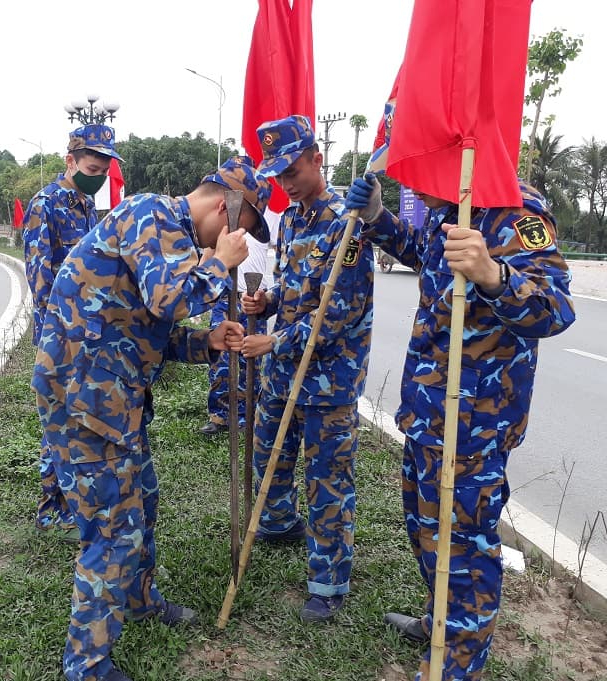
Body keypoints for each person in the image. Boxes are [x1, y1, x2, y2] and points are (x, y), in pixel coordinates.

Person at [33, 156, 272, 681]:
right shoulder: (152, 214)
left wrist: (207, 341)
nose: (237, 241)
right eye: (242, 229)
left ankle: (139, 599)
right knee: (113, 531)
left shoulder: (169, 232)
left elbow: (145, 326)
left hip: (114, 396)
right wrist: (220, 262)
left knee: (143, 499)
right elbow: (169, 300)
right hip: (85, 400)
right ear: (224, 208)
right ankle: (86, 666)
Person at [345, 171, 576, 679]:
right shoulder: (448, 208)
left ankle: (456, 667)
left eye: (417, 174)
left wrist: (494, 275)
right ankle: (441, 624)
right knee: (428, 534)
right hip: (427, 412)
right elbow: (423, 256)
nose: (413, 187)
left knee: (465, 550)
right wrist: (378, 217)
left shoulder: (515, 208)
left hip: (475, 424)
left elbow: (555, 310)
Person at [241, 115, 375, 623]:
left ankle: (328, 581)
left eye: (292, 171)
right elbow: (295, 288)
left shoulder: (348, 223)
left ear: (318, 159)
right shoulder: (293, 218)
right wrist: (268, 302)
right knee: (268, 454)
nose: (286, 183)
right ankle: (278, 523)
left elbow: (337, 314)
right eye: (277, 175)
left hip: (329, 380)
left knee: (327, 481)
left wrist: (273, 339)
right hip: (282, 372)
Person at [23, 123, 121, 535]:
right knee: (57, 420)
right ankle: (51, 507)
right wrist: (59, 334)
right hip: (59, 334)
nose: (98, 177)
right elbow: (39, 276)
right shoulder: (44, 204)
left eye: (103, 171)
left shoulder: (85, 204)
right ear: (70, 161)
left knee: (79, 417)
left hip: (89, 331)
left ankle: (75, 500)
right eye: (92, 169)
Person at [199, 233, 272, 436]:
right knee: (220, 358)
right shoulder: (225, 227)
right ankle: (220, 416)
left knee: (251, 358)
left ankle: (248, 416)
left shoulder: (265, 223)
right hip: (225, 299)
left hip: (255, 299)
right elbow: (207, 258)